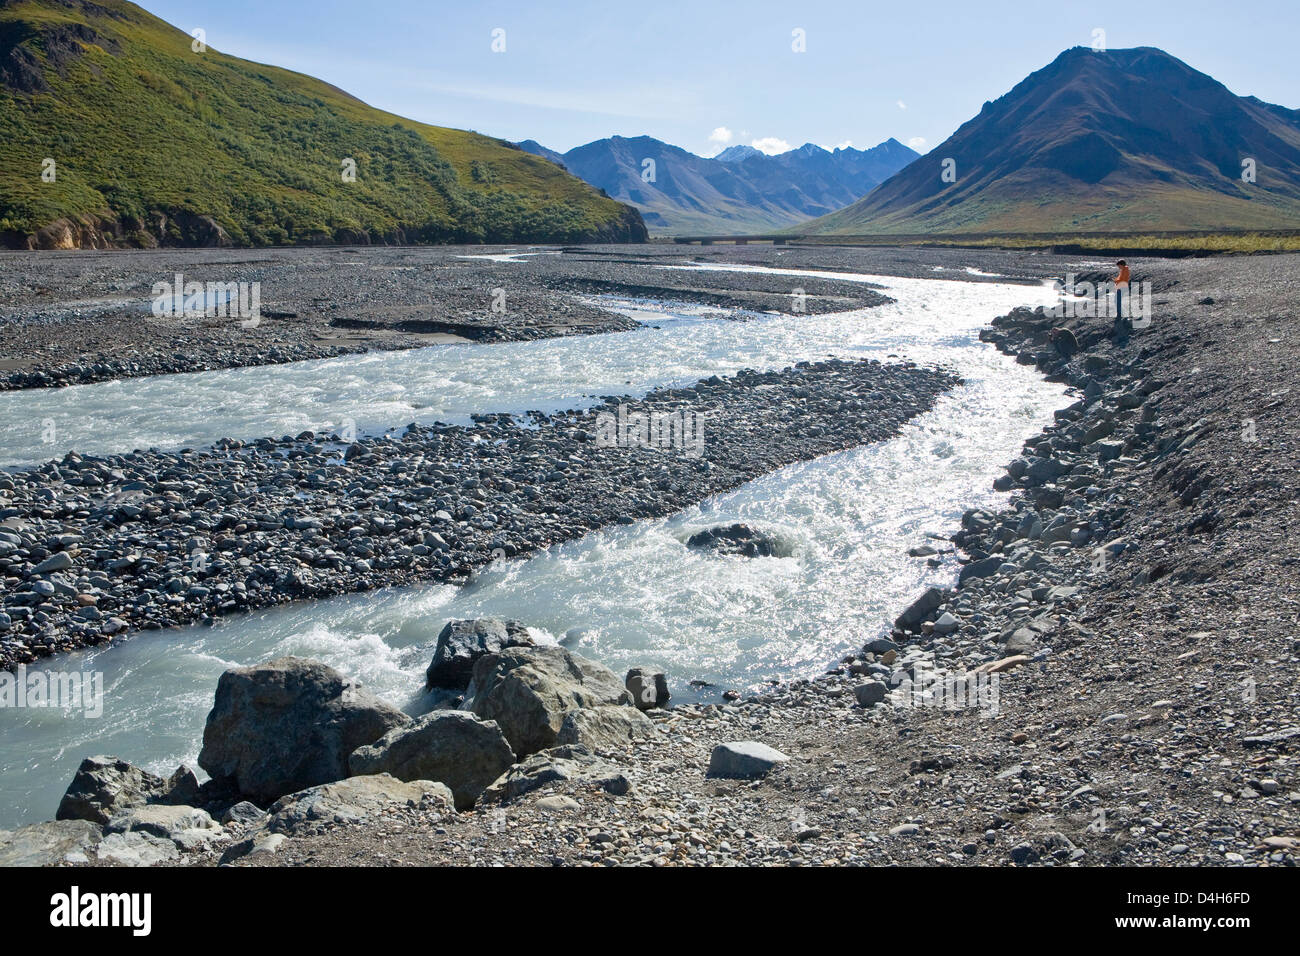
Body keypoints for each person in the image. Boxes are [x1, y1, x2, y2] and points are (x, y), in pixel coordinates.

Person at [1112, 259, 1132, 343]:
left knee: (1118, 301)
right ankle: (1120, 313)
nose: (1118, 267)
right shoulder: (1124, 270)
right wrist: (1116, 280)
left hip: (1122, 287)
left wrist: (1115, 280)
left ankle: (1120, 314)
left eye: (1119, 266)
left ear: (1122, 265)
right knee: (1117, 300)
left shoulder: (1125, 270)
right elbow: (1121, 278)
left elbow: (1122, 279)